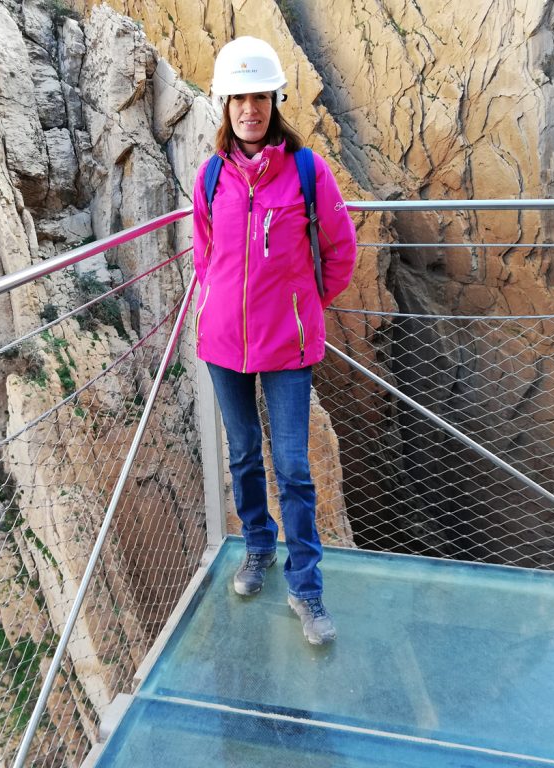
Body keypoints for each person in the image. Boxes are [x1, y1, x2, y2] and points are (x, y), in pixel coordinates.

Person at [192, 37, 357, 646]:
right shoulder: (210, 177)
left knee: (292, 465)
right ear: (226, 105)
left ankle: (307, 588)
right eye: (239, 98)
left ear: (274, 101)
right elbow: (205, 258)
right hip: (224, 347)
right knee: (242, 455)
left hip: (286, 347)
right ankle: (257, 548)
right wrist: (214, 306)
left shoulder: (309, 171)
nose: (249, 110)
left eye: (258, 97)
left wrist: (304, 307)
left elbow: (341, 251)